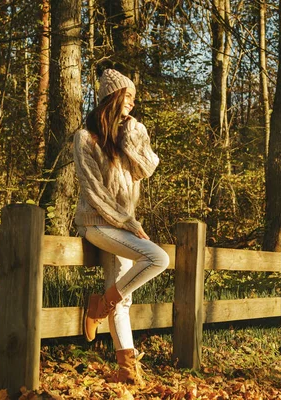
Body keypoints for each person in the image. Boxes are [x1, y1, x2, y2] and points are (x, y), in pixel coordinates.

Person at [73, 68, 170, 385]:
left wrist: (133, 133)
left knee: (122, 297)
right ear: (111, 98)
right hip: (96, 224)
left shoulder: (124, 138)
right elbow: (93, 191)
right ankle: (100, 305)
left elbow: (148, 167)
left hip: (122, 227)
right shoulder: (85, 138)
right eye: (127, 96)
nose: (131, 103)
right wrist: (128, 221)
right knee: (158, 259)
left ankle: (126, 370)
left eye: (133, 98)